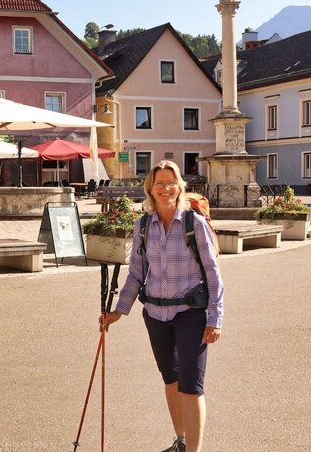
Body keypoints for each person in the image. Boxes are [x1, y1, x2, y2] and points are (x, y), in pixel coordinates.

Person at [100, 160, 224, 452]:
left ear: (180, 186)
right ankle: (180, 441)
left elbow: (213, 272)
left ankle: (193, 450)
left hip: (191, 313)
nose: (166, 188)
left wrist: (215, 318)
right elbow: (136, 274)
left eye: (171, 182)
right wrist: (119, 311)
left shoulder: (194, 223)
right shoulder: (143, 226)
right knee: (170, 378)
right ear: (150, 190)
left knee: (191, 385)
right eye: (160, 184)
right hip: (155, 314)